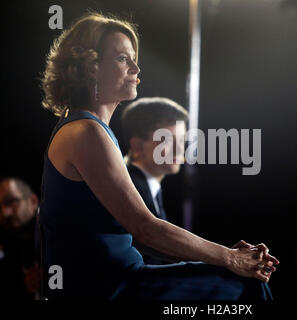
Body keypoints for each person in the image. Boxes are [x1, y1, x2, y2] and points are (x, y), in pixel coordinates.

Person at [39, 12, 279, 299]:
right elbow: (145, 229)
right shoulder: (85, 132)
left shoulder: (92, 129)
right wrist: (229, 257)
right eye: (122, 58)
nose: (136, 67)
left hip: (122, 282)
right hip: (110, 289)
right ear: (90, 67)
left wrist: (227, 257)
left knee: (237, 280)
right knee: (245, 285)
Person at [121, 97, 188, 265]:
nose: (179, 149)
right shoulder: (130, 187)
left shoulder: (148, 186)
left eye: (181, 140)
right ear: (137, 146)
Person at [0, 177, 41, 299]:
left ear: (33, 201)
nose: (4, 213)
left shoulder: (59, 233)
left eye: (11, 201)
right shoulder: (9, 247)